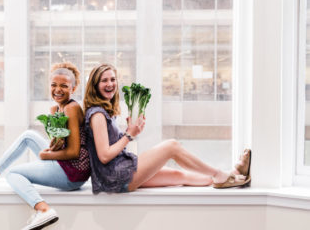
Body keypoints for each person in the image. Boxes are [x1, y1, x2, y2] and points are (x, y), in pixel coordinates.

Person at [83, 63, 251, 194]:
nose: (110, 84)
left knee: (179, 176)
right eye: (104, 80)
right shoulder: (97, 114)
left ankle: (232, 175)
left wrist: (131, 131)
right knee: (172, 146)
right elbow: (104, 156)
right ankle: (220, 175)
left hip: (119, 172)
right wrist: (129, 134)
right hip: (115, 175)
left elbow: (112, 148)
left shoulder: (104, 112)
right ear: (95, 85)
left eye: (113, 79)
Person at [0, 62, 90, 230]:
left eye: (64, 86)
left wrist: (46, 155)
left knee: (13, 174)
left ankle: (43, 210)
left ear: (73, 88)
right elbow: (59, 144)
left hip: (73, 173)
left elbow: (73, 152)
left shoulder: (72, 108)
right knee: (29, 136)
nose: (58, 89)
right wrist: (52, 147)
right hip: (66, 166)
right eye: (54, 85)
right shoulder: (56, 109)